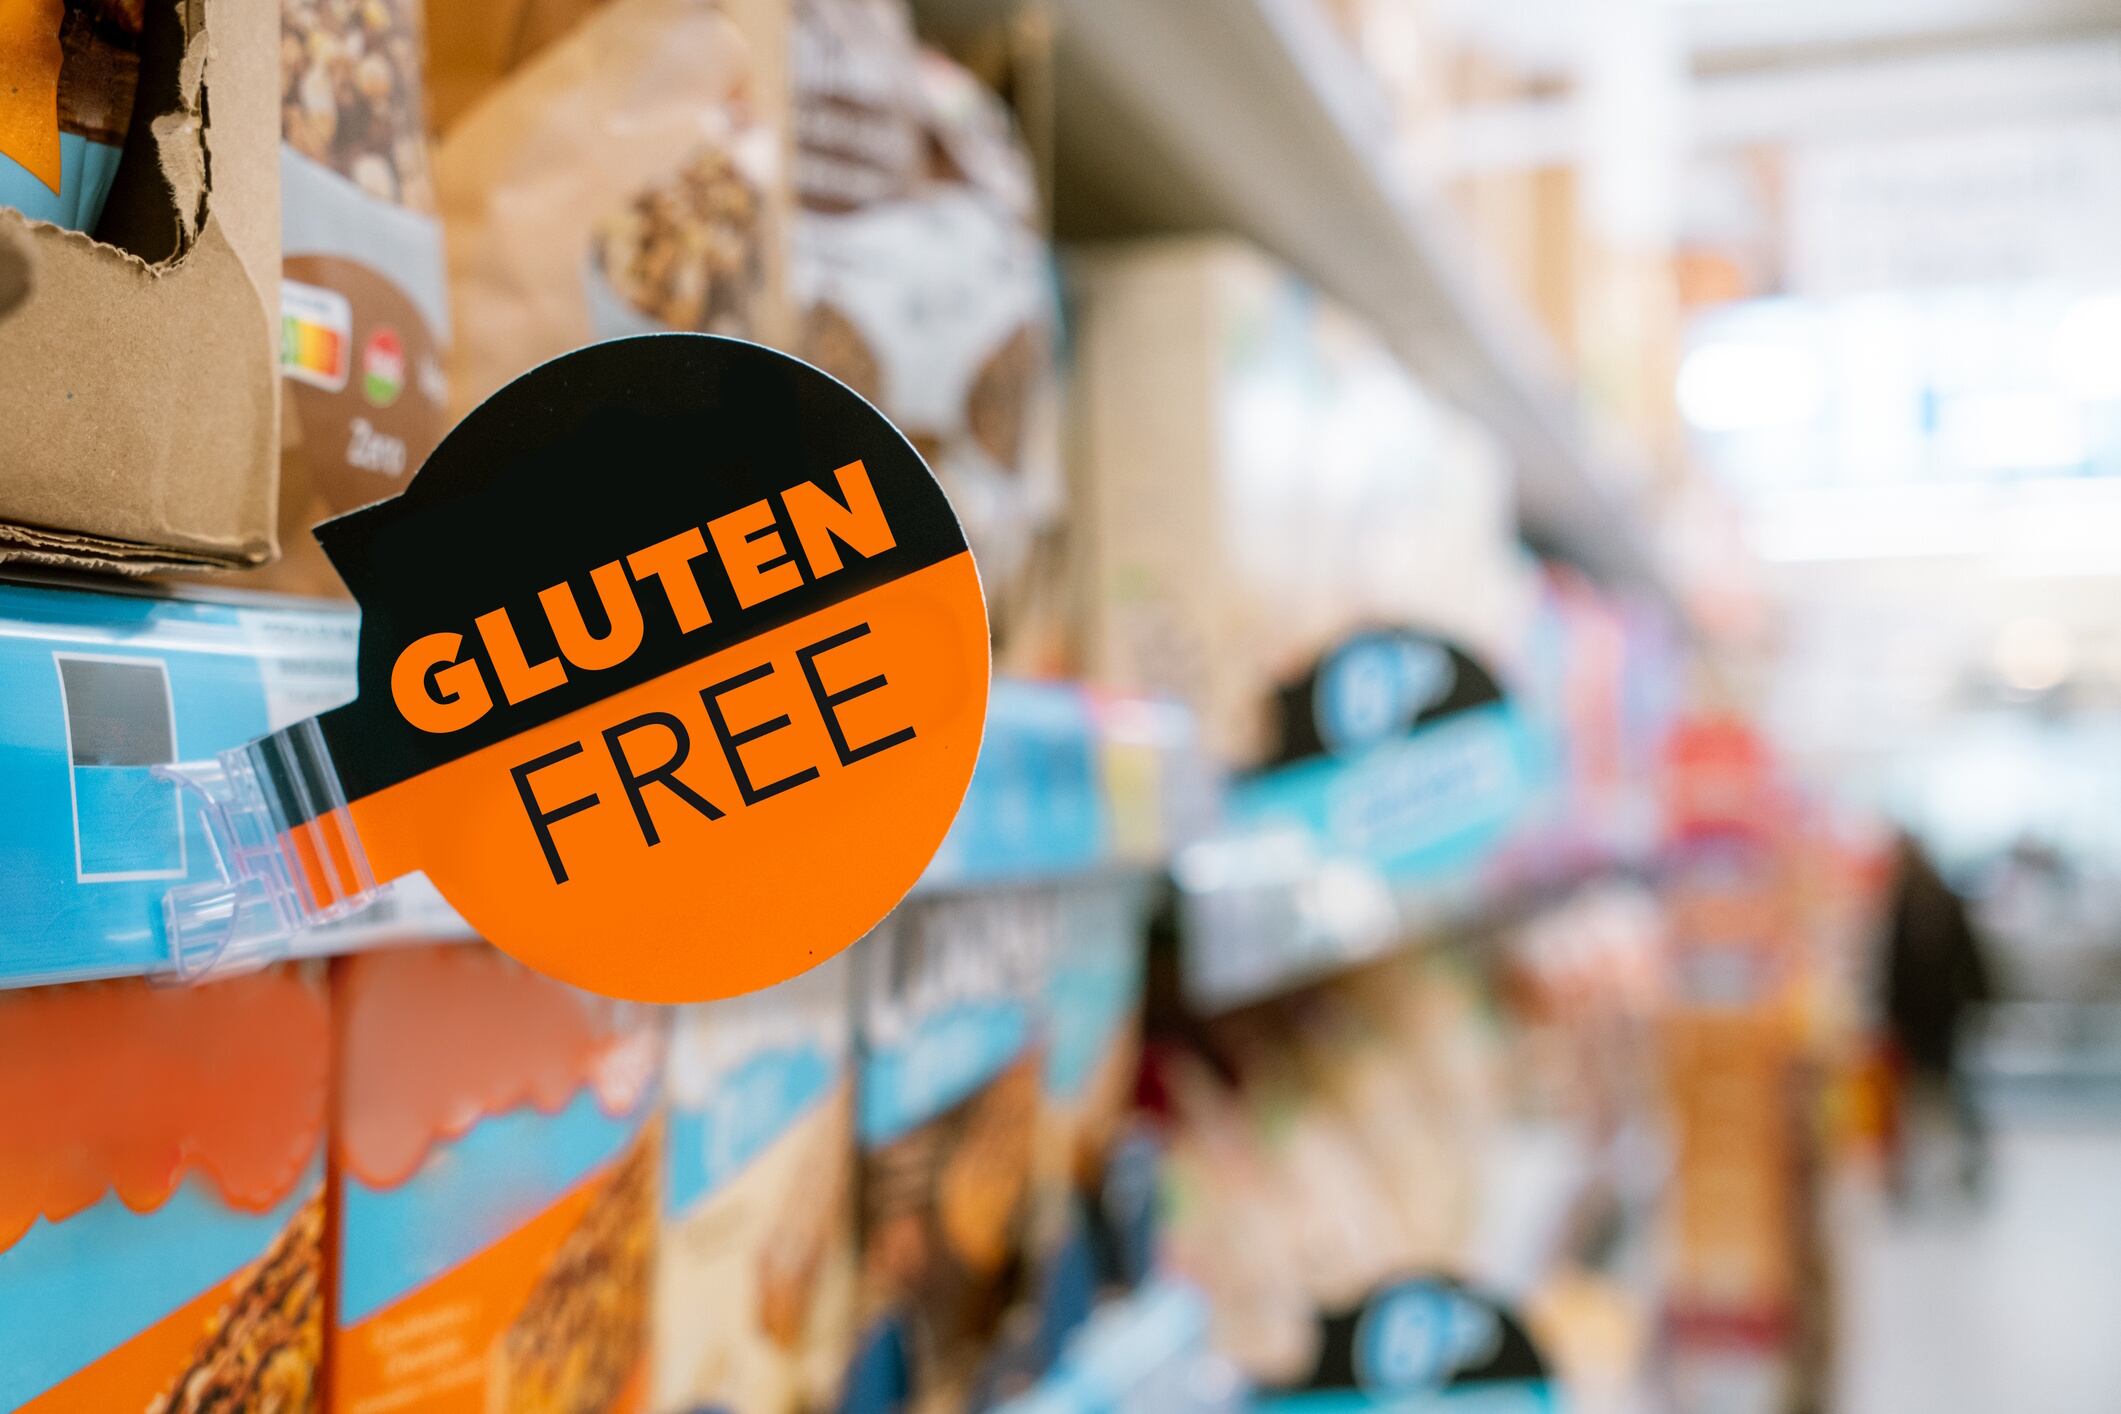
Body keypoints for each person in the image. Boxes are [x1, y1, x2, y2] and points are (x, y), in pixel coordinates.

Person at [1878, 830, 1997, 1202]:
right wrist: (1980, 1000)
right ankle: (1964, 1163)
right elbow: (1971, 956)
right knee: (1953, 1092)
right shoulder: (1940, 898)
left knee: (1921, 1096)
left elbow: (1894, 968)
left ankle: (1913, 1171)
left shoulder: (1906, 902)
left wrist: (1890, 1015)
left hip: (1924, 1018)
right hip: (1944, 1014)